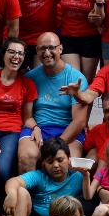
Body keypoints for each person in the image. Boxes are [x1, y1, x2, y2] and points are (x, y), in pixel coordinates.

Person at [0, 37, 38, 195]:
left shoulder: (28, 84)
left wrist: (36, 127)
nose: (16, 57)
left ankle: (1, 207)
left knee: (2, 171)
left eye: (20, 53)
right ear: (3, 54)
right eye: (12, 52)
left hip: (11, 132)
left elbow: (27, 117)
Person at [23, 34, 89, 172]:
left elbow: (79, 121)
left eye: (51, 48)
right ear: (37, 51)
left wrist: (55, 146)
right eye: (42, 49)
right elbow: (26, 115)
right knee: (26, 156)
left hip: (67, 128)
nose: (47, 53)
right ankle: (30, 187)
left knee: (71, 161)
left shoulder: (76, 79)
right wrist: (35, 127)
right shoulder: (30, 78)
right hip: (39, 128)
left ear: (60, 49)